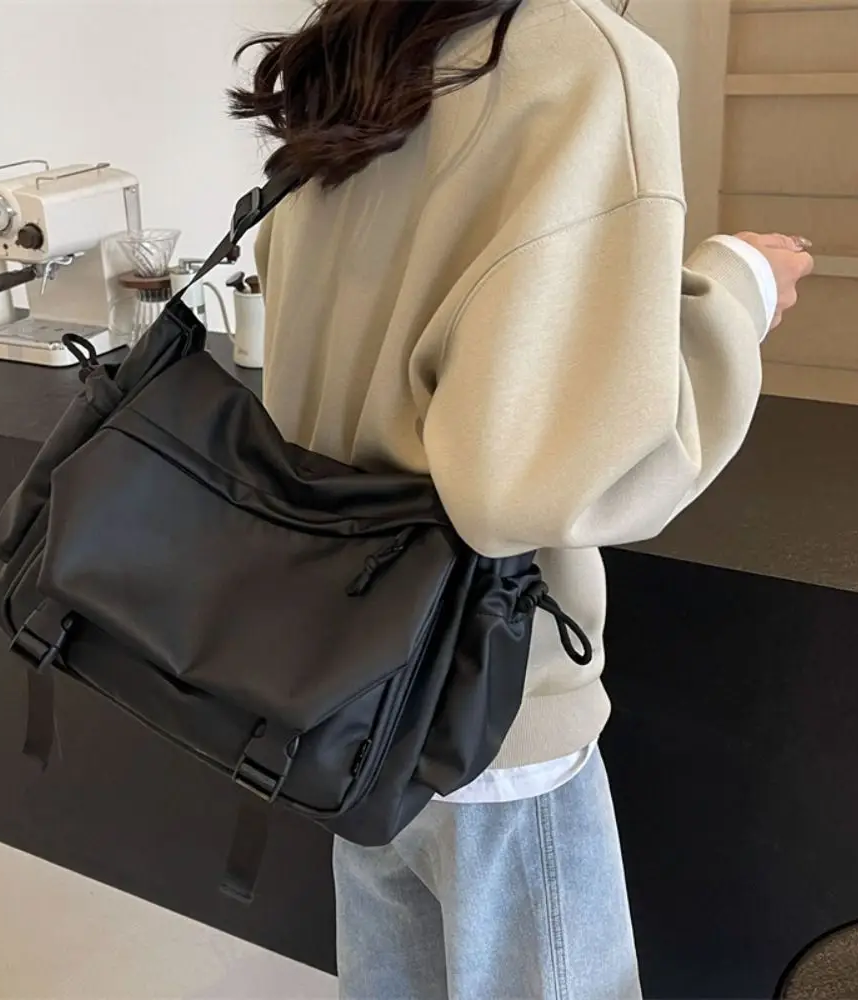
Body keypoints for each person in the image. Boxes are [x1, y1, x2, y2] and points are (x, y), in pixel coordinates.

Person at [230, 2, 814, 998]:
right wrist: (737, 292)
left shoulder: (368, 37)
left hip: (346, 688)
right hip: (485, 699)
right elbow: (546, 476)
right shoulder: (584, 59)